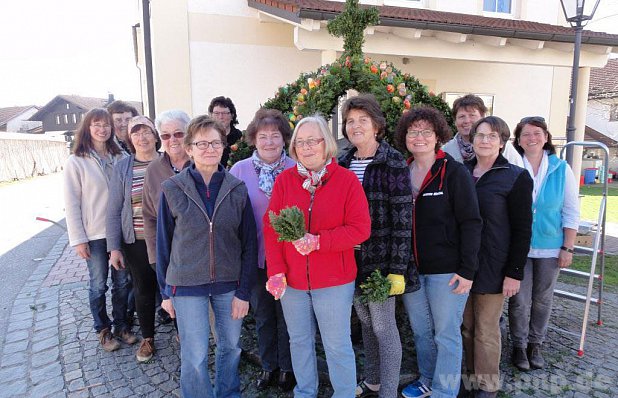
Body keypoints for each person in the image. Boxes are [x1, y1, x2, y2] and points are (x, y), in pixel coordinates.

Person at [263, 115, 371, 398]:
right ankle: (305, 392)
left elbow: (360, 229)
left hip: (335, 281)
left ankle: (344, 394)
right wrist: (276, 270)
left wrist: (320, 242)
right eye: (300, 142)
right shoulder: (285, 180)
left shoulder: (346, 180)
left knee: (337, 344)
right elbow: (271, 227)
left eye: (313, 140)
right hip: (293, 282)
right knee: (299, 341)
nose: (307, 147)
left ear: (327, 144)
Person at [157, 115, 257, 398]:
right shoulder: (173, 188)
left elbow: (249, 243)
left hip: (229, 285)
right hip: (186, 285)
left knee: (231, 347)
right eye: (202, 143)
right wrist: (166, 291)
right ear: (188, 148)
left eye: (215, 142)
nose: (209, 149)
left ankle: (228, 394)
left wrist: (244, 292)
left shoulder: (236, 189)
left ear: (224, 147)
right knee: (195, 354)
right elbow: (163, 242)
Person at [396, 106, 483, 398]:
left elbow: (472, 223)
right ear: (405, 136)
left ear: (437, 136)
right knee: (421, 332)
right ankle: (427, 380)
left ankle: (445, 391)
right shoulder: (401, 172)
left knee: (445, 334)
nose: (418, 137)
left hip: (448, 271)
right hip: (410, 270)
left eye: (426, 131)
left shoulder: (453, 172)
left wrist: (467, 270)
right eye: (413, 131)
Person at [337, 94, 416, 398]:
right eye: (350, 121)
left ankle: (388, 391)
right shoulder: (342, 162)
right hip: (350, 260)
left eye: (363, 121)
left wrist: (397, 269)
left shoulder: (391, 161)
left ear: (377, 126)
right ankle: (373, 380)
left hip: (381, 261)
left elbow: (402, 218)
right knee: (366, 324)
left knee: (384, 327)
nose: (356, 126)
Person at [460, 116, 533, 398]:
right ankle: (468, 380)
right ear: (472, 139)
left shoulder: (515, 176)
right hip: (463, 265)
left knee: (486, 328)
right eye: (480, 135)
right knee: (466, 327)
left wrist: (514, 271)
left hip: (495, 264)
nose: (485, 140)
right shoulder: (461, 173)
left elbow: (523, 229)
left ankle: (487, 385)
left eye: (492, 136)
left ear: (502, 142)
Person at [229, 108, 296, 392]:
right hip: (255, 258)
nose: (269, 142)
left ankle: (289, 368)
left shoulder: (296, 167)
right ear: (253, 139)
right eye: (263, 136)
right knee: (265, 316)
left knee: (289, 317)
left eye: (275, 136)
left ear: (284, 139)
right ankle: (269, 366)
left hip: (291, 259)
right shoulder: (239, 170)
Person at [508, 116, 579, 371]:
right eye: (526, 134)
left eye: (537, 133)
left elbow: (571, 210)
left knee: (542, 299)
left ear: (546, 137)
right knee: (519, 299)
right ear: (519, 140)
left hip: (551, 246)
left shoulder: (561, 169)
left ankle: (535, 344)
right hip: (519, 247)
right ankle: (518, 344)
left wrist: (567, 247)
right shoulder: (514, 167)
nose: (532, 138)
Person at [63, 108, 131, 352]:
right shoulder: (77, 161)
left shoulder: (121, 156)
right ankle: (103, 330)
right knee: (98, 284)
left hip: (121, 231)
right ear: (88, 128)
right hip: (94, 234)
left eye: (106, 125)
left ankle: (122, 326)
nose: (102, 129)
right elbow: (71, 203)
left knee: (122, 282)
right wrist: (78, 239)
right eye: (97, 125)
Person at [107, 116, 161, 362]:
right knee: (143, 289)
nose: (142, 137)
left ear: (155, 134)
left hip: (167, 239)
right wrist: (114, 248)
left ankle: (185, 334)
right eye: (136, 133)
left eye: (146, 131)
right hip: (136, 240)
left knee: (175, 286)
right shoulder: (123, 167)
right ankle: (148, 338)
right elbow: (114, 209)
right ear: (130, 139)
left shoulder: (166, 161)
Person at [142, 110, 193, 329]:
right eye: (165, 136)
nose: (172, 140)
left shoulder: (201, 163)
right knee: (177, 307)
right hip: (170, 253)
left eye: (178, 133)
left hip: (200, 251)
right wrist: (154, 255)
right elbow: (149, 215)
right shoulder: (153, 170)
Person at [442, 95, 522, 167]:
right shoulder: (446, 149)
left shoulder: (502, 146)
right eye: (461, 116)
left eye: (472, 115)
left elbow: (518, 176)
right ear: (455, 121)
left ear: (482, 118)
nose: (466, 121)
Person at [208, 96, 242, 167]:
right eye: (216, 113)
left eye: (224, 113)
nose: (220, 117)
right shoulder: (205, 138)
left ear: (232, 116)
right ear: (211, 115)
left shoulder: (240, 138)